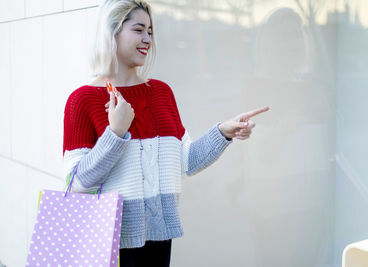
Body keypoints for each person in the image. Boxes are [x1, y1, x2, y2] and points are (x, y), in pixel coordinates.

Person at [62, 0, 269, 266]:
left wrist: (223, 132)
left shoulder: (161, 93)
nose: (147, 38)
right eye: (138, 30)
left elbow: (187, 162)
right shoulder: (83, 100)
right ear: (112, 32)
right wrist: (115, 132)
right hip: (107, 242)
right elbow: (75, 184)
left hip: (159, 241)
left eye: (150, 31)